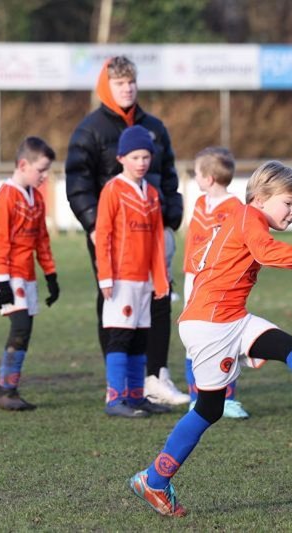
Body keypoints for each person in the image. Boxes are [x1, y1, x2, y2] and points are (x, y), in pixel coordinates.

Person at [128, 161, 292, 517]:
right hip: (213, 324)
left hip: (224, 318)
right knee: (208, 408)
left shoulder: (240, 218)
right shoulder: (248, 217)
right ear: (259, 198)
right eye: (288, 202)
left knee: (289, 347)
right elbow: (266, 252)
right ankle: (154, 479)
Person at [65, 55, 189, 407]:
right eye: (119, 83)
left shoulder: (155, 127)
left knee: (159, 299)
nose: (127, 88)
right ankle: (117, 386)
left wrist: (171, 215)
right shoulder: (89, 130)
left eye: (131, 82)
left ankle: (155, 377)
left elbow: (169, 176)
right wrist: (93, 223)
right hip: (112, 237)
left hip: (153, 231)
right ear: (106, 87)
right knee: (114, 303)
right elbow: (78, 181)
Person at [95, 126, 172, 418]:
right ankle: (115, 399)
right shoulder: (112, 190)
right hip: (120, 278)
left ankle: (136, 397)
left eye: (145, 157)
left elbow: (157, 240)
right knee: (120, 335)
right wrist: (105, 276)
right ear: (121, 158)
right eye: (135, 157)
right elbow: (103, 235)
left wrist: (160, 279)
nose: (141, 163)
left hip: (144, 280)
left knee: (141, 337)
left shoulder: (151, 193)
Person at [0, 137, 60, 411]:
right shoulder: (5, 197)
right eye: (41, 170)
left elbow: (42, 240)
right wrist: (1, 282)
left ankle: (10, 389)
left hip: (27, 274)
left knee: (25, 330)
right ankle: (5, 391)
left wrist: (50, 275)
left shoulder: (36, 198)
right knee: (20, 327)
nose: (44, 176)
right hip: (10, 273)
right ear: (23, 165)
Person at [182, 146, 249, 419]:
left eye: (197, 173)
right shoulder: (200, 203)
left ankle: (227, 399)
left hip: (219, 282)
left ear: (208, 178)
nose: (195, 177)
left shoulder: (236, 208)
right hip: (193, 279)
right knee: (194, 341)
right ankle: (195, 398)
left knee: (223, 339)